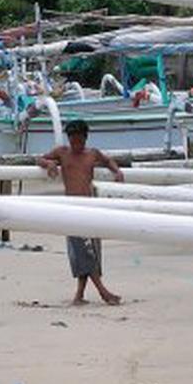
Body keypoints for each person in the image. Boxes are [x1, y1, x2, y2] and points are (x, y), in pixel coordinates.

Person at [37, 119, 124, 306]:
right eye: (73, 140)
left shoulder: (92, 154)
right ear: (68, 139)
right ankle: (103, 292)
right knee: (81, 251)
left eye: (80, 141)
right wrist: (50, 165)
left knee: (90, 251)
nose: (76, 144)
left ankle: (79, 295)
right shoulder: (62, 152)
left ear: (85, 139)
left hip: (90, 207)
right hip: (71, 209)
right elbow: (40, 158)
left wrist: (117, 172)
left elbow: (108, 161)